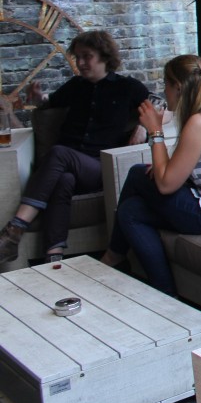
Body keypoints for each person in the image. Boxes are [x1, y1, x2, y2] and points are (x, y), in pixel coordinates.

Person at [101, 55, 201, 295]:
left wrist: (155, 130)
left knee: (137, 174)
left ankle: (113, 257)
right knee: (130, 211)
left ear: (178, 87)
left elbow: (166, 185)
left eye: (165, 85)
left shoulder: (199, 122)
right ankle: (164, 293)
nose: (164, 92)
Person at [0, 31, 148, 264]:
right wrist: (38, 99)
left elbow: (161, 106)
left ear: (104, 57)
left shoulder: (127, 87)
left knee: (59, 153)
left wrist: (143, 126)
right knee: (63, 179)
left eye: (87, 56)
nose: (80, 63)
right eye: (77, 57)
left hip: (98, 168)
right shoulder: (76, 86)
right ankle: (54, 257)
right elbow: (50, 101)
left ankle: (15, 229)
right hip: (66, 168)